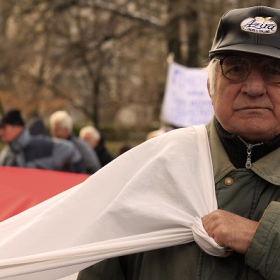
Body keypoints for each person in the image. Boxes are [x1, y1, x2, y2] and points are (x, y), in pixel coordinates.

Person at [77, 6, 280, 280]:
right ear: (210, 86)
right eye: (236, 68)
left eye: (275, 71)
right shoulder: (150, 170)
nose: (254, 88)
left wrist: (261, 238)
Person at [0, 109, 83, 173]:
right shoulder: (6, 154)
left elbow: (71, 153)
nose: (1, 132)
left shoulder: (44, 146)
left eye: (4, 128)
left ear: (17, 127)